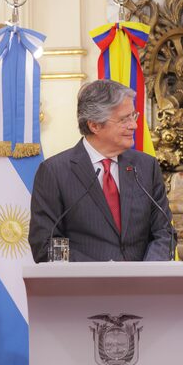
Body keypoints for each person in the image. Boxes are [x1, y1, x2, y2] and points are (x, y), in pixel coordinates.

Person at [29, 79, 172, 262]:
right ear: (94, 125)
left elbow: (164, 231)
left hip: (142, 286)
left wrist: (147, 272)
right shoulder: (54, 172)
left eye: (133, 116)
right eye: (124, 119)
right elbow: (45, 244)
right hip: (85, 286)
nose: (134, 125)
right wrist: (101, 274)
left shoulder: (146, 166)